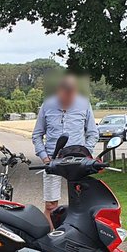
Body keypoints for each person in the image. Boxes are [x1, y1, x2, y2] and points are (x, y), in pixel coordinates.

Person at [32, 75, 98, 225]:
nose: (68, 99)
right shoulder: (47, 105)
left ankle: (77, 238)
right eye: (65, 95)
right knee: (50, 206)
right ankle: (48, 241)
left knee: (80, 204)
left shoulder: (84, 104)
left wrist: (86, 153)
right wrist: (44, 157)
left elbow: (93, 133)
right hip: (53, 160)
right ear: (58, 91)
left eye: (71, 94)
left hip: (77, 162)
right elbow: (37, 135)